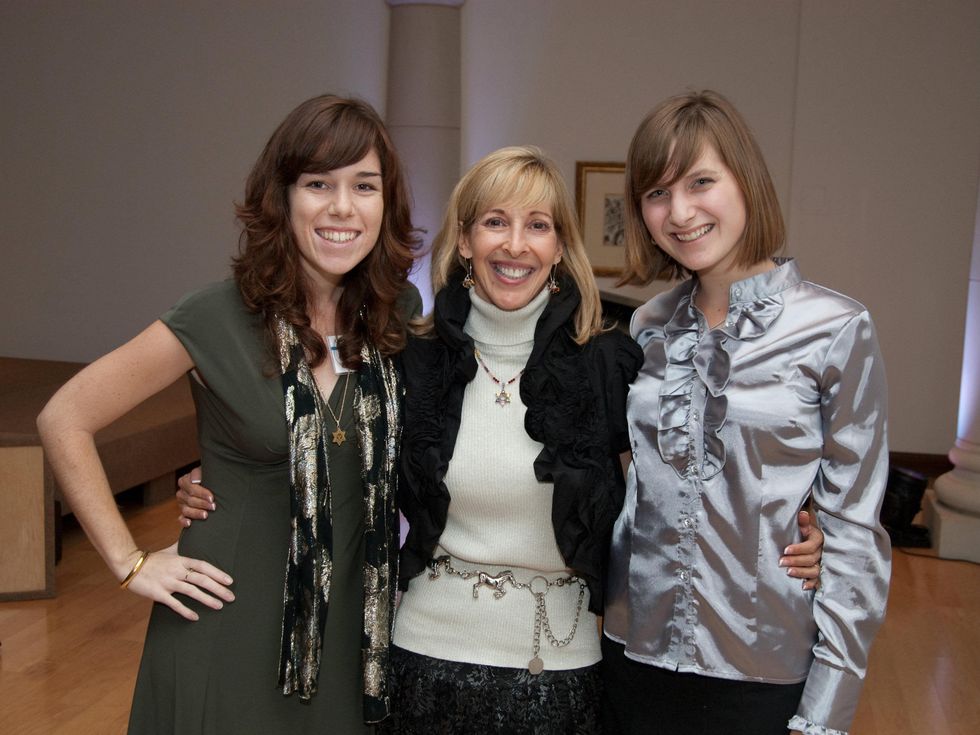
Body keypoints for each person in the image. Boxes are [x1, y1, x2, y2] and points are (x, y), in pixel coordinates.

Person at [179, 143, 825, 734]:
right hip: (424, 664)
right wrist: (225, 479)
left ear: (559, 247)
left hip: (563, 671)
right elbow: (334, 448)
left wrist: (793, 530)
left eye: (538, 225)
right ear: (464, 240)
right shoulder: (412, 357)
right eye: (495, 222)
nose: (515, 245)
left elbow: (693, 475)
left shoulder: (610, 363)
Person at [37, 94, 421, 734]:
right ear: (283, 198)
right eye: (317, 184)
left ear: (388, 203)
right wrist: (128, 560)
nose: (342, 207)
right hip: (226, 623)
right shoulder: (216, 316)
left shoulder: (397, 316)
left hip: (354, 636)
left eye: (364, 185)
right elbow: (63, 416)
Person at [600, 90, 891, 735]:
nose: (680, 212)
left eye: (701, 182)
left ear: (746, 183)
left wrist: (824, 717)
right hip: (631, 658)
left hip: (762, 674)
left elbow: (856, 537)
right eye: (656, 193)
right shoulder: (646, 327)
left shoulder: (837, 329)